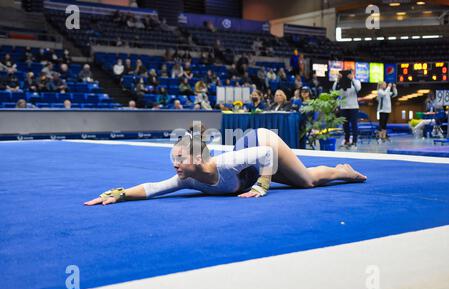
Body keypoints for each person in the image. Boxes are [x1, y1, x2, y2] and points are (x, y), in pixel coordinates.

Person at [84, 126, 367, 206]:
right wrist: (119, 194)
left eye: (179, 160)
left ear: (198, 159)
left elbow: (266, 154)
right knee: (301, 181)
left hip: (263, 143)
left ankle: (343, 170)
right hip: (253, 165)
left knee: (305, 181)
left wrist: (263, 186)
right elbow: (154, 188)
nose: (174, 167)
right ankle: (339, 169)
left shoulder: (227, 164)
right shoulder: (188, 179)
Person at [332, 69, 361, 149]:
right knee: (345, 125)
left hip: (353, 107)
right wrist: (337, 80)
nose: (348, 75)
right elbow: (334, 90)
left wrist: (352, 79)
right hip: (344, 107)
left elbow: (358, 88)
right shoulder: (341, 82)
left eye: (350, 74)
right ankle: (347, 140)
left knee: (354, 125)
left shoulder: (356, 81)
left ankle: (354, 142)